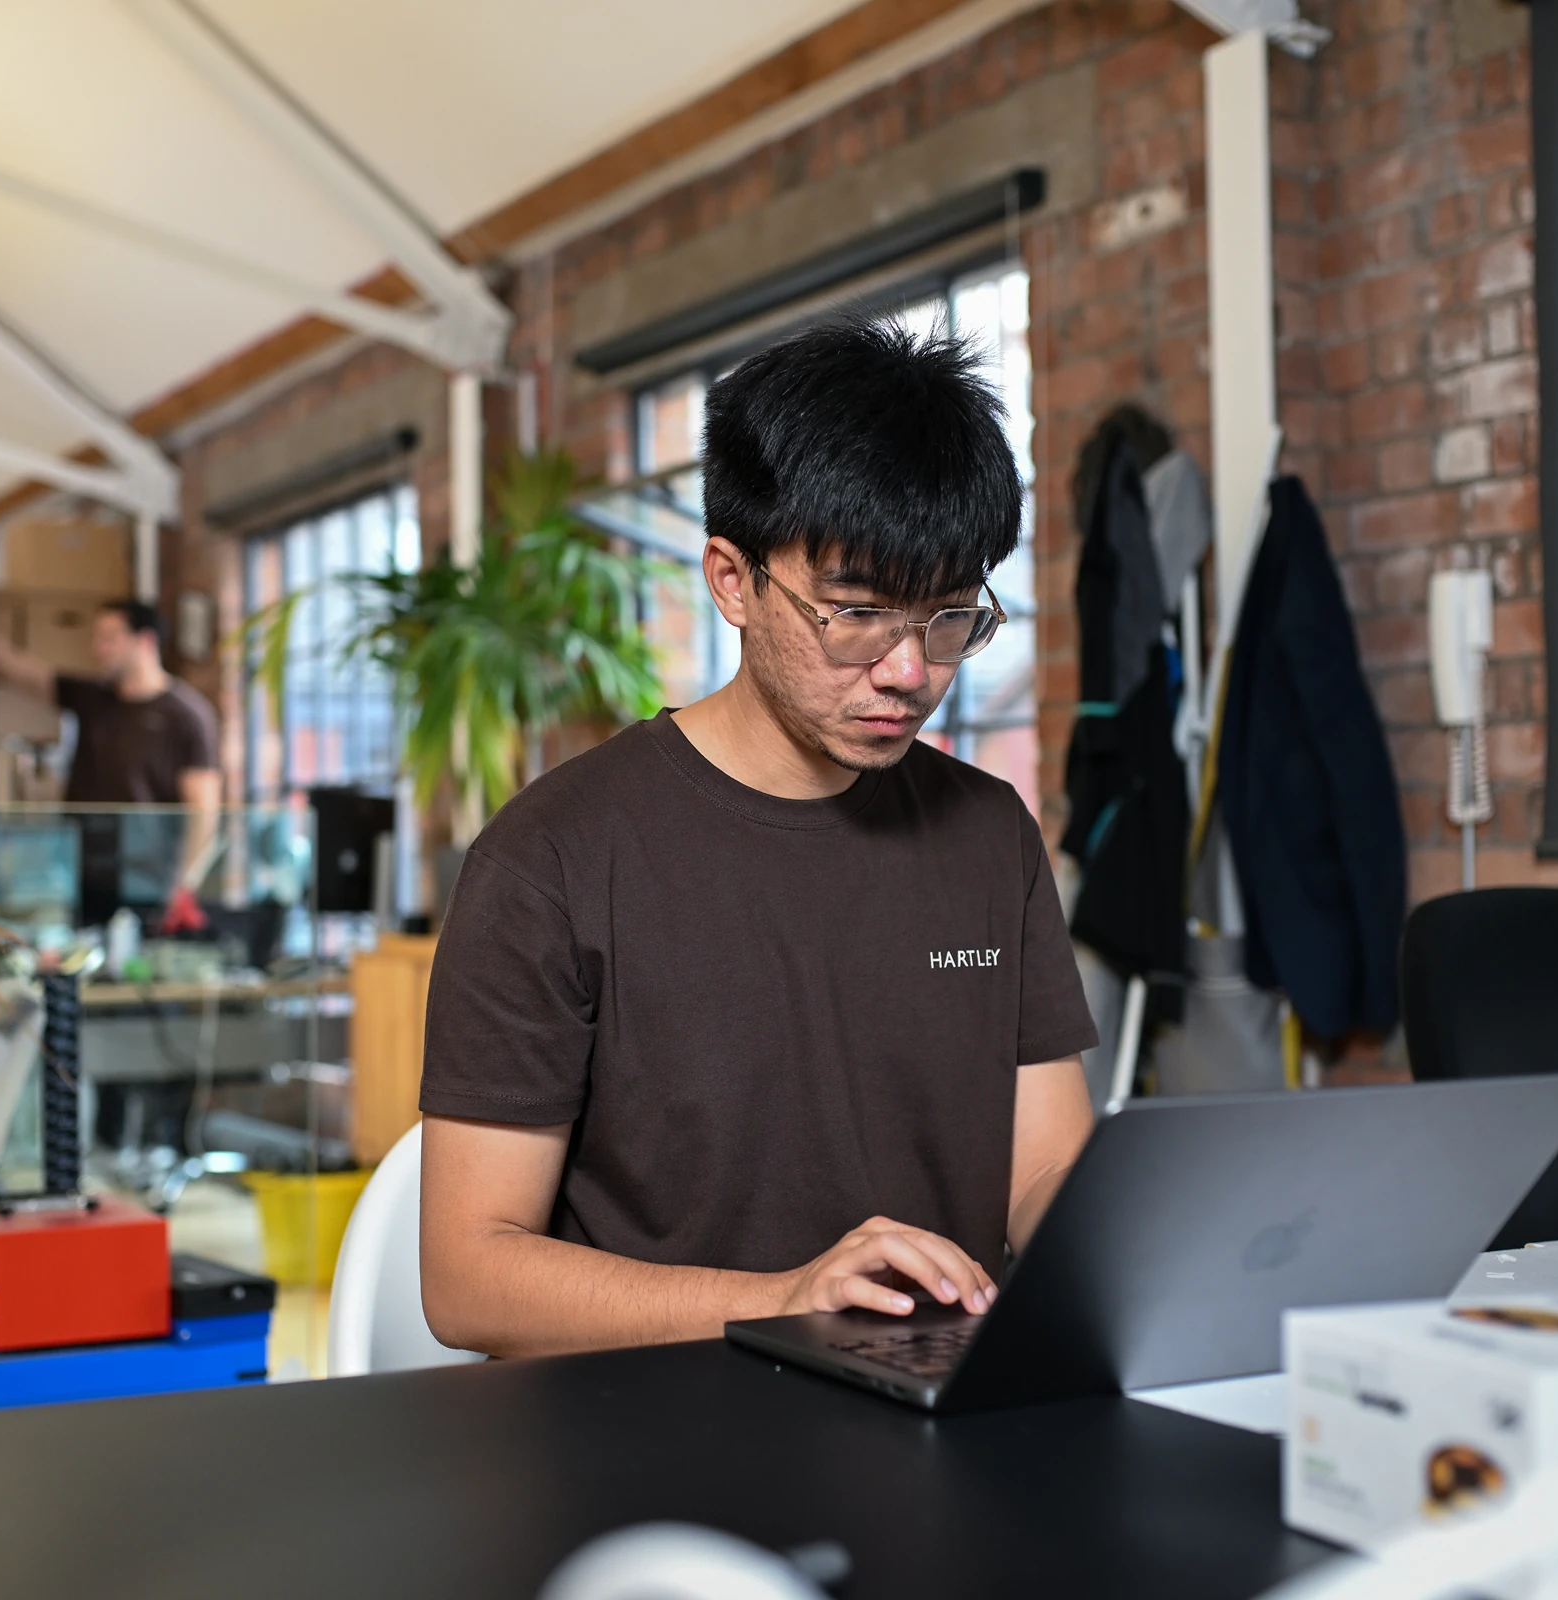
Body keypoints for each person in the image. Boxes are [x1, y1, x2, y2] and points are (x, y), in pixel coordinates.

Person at [419, 320, 1098, 1360]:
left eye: (951, 619)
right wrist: (785, 1299)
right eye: (858, 614)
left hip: (939, 1417)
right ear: (732, 579)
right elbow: (469, 1278)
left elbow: (1045, 1171)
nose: (911, 671)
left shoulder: (987, 833)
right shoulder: (553, 858)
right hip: (661, 1434)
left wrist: (1120, 1251)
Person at [0, 598, 220, 930]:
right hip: (83, 872)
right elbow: (17, 669)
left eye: (110, 638)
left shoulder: (186, 715)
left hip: (148, 881)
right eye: (97, 637)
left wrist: (184, 884)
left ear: (144, 641)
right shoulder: (93, 698)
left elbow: (204, 810)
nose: (98, 648)